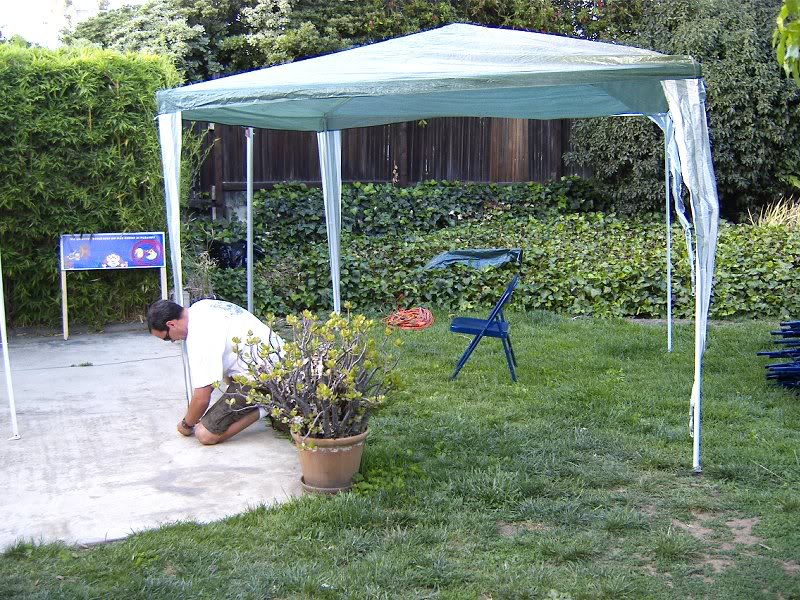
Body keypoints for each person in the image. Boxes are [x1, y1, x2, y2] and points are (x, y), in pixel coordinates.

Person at [147, 298, 284, 445]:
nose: (173, 341)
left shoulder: (199, 337)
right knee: (224, 371)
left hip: (265, 377)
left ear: (171, 324)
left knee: (205, 434)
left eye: (167, 338)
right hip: (279, 358)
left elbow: (202, 398)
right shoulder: (201, 306)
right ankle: (265, 398)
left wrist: (186, 424)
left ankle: (268, 406)